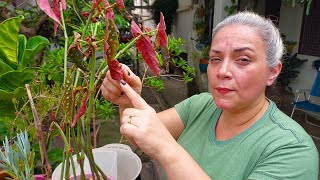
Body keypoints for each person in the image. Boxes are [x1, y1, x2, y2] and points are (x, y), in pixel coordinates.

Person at [101, 11, 319, 179]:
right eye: (215, 59)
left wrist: (166, 148)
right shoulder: (203, 105)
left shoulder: (291, 149)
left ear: (272, 72)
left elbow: (159, 142)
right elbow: (139, 136)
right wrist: (128, 100)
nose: (222, 71)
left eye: (243, 59)